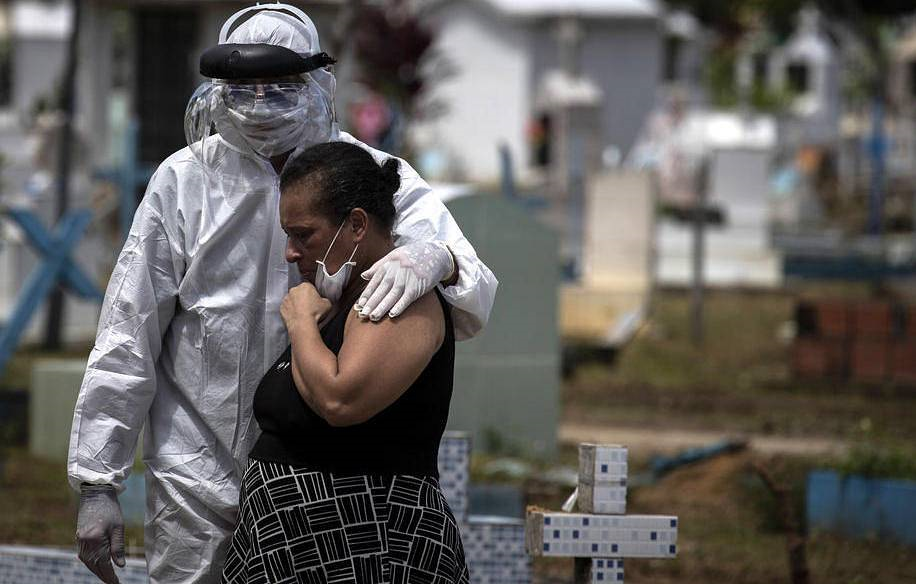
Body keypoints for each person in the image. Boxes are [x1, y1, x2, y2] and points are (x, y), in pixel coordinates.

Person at [69, 4, 496, 584]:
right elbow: (128, 331)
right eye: (244, 89)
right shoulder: (184, 181)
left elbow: (472, 289)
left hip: (320, 481)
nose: (261, 104)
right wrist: (98, 481)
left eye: (281, 87)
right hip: (195, 470)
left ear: (318, 84)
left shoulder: (367, 173)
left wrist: (437, 258)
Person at [221, 140, 468, 584]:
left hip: (368, 545)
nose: (291, 252)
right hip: (294, 550)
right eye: (288, 236)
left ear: (356, 225)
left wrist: (300, 322)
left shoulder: (399, 296)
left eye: (304, 235)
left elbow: (340, 399)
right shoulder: (336, 302)